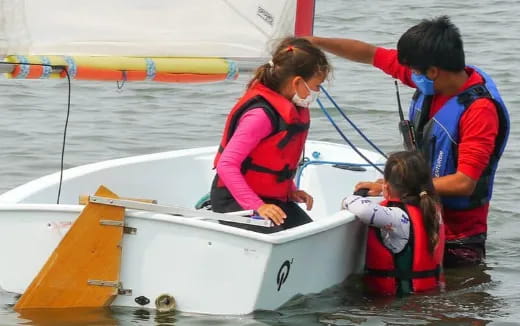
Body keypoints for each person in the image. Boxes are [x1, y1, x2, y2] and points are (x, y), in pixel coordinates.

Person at [308, 16, 510, 267]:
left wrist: (397, 185)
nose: (412, 77)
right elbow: (369, 53)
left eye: (415, 72)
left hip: (458, 241)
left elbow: (464, 183)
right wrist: (313, 42)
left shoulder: (479, 112)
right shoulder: (435, 77)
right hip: (418, 219)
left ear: (433, 71)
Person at [210, 37, 330, 233]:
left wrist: (290, 190)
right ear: (297, 82)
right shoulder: (261, 116)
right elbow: (226, 164)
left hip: (269, 199)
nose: (317, 92)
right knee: (279, 237)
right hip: (232, 200)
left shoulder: (289, 110)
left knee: (308, 234)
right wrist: (257, 206)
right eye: (316, 85)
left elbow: (275, 161)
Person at [342, 151, 444, 296]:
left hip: (396, 306)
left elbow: (364, 210)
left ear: (387, 187)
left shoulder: (397, 217)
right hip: (426, 294)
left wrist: (346, 200)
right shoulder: (433, 211)